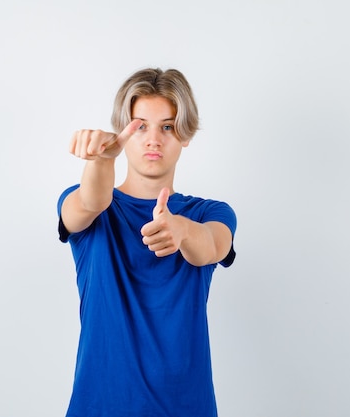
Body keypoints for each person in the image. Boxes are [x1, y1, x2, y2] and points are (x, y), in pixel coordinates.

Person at [57, 68, 237, 417]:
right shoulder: (92, 207)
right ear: (124, 131)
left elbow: (213, 246)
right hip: (100, 406)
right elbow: (90, 203)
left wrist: (182, 230)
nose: (153, 139)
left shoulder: (209, 212)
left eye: (167, 127)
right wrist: (101, 161)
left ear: (185, 134)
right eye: (140, 126)